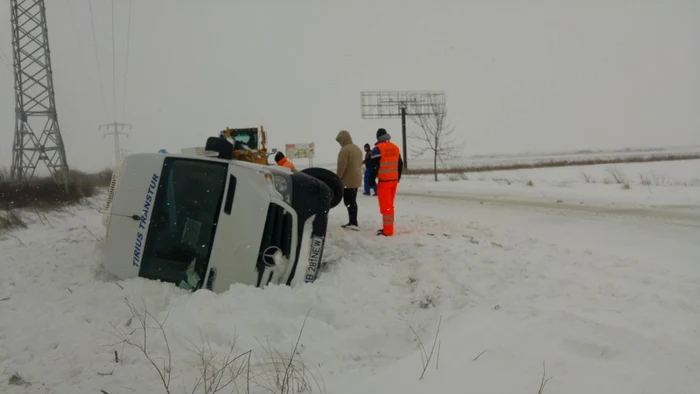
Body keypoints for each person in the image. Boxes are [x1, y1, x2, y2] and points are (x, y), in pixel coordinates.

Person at [368, 128, 403, 236]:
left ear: (378, 137)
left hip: (384, 182)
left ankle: (387, 231)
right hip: (394, 181)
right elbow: (400, 164)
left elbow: (374, 167)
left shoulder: (378, 149)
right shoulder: (395, 147)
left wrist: (371, 180)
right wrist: (398, 177)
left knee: (385, 207)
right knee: (390, 206)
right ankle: (389, 227)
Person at [335, 130, 363, 230]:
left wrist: (337, 179)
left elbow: (342, 167)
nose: (340, 144)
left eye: (340, 141)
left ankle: (353, 222)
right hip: (356, 179)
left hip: (348, 180)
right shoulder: (357, 149)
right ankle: (353, 221)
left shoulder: (345, 150)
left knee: (348, 202)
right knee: (352, 201)